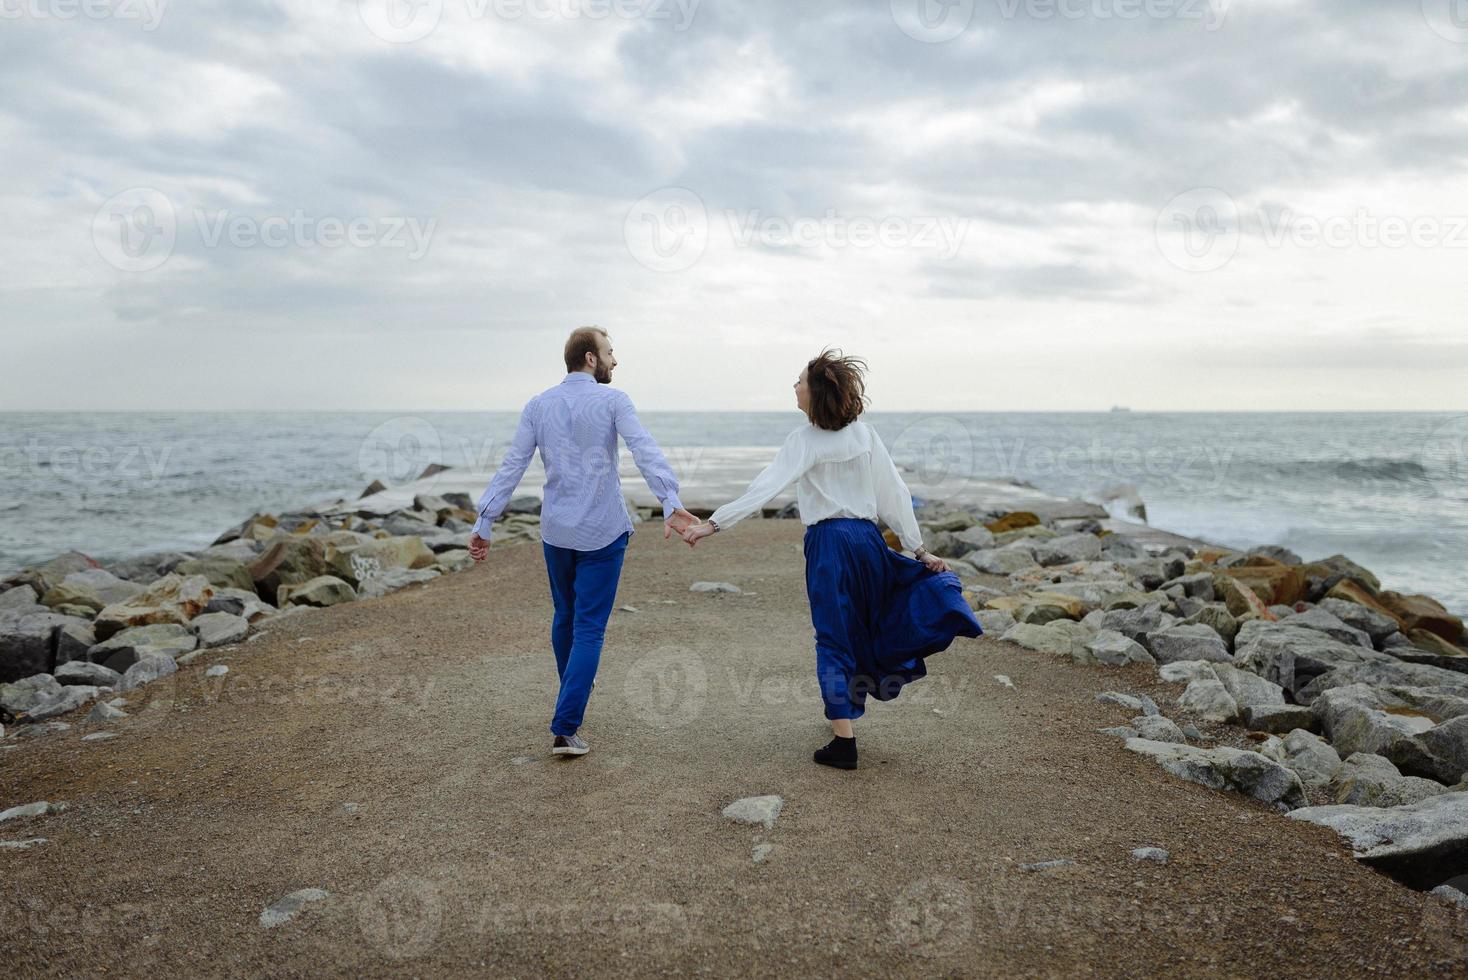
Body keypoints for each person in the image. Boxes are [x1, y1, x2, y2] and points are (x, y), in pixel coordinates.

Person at [680, 349, 982, 770]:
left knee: (833, 635)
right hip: (867, 541)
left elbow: (765, 488)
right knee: (867, 621)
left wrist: (713, 524)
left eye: (799, 382)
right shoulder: (865, 434)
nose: (795, 387)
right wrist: (917, 549)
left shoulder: (803, 440)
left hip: (830, 545)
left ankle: (844, 743)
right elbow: (893, 492)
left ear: (815, 393)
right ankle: (844, 713)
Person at [469, 327, 696, 758]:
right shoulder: (614, 400)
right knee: (588, 629)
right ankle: (566, 726)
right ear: (591, 358)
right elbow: (643, 448)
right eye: (610, 353)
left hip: (557, 531)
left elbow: (513, 464)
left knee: (565, 617)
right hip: (603, 531)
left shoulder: (538, 404)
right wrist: (669, 500)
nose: (615, 361)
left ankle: (572, 692)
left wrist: (486, 520)